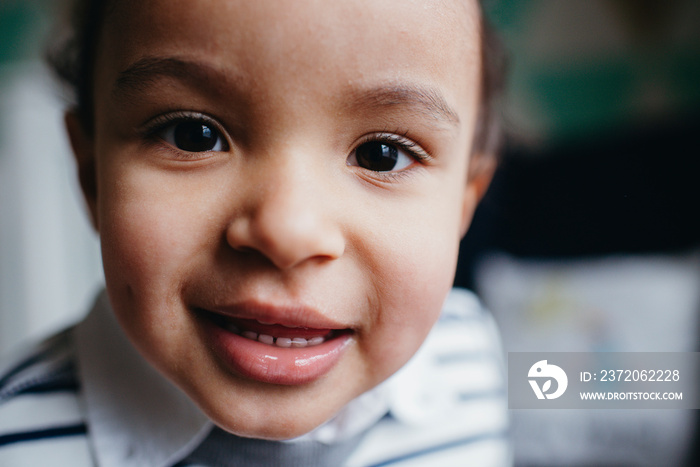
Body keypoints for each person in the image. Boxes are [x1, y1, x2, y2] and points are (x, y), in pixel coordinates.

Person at [0, 0, 509, 465]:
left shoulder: (470, 360)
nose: (286, 233)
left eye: (382, 154)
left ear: (465, 203)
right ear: (93, 176)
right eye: (194, 136)